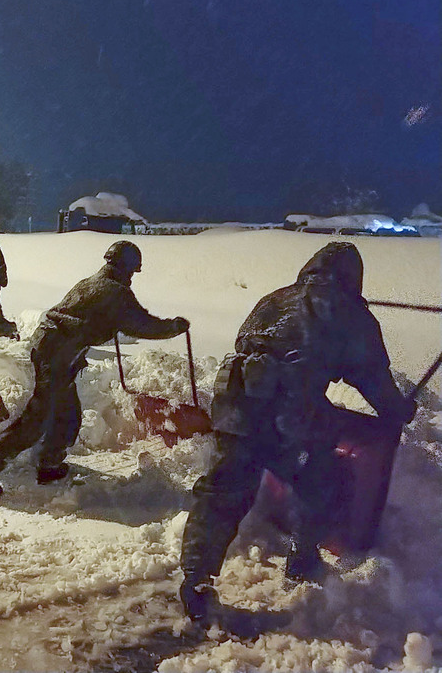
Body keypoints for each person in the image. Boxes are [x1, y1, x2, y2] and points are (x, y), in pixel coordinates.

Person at [178, 242, 416, 629]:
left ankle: (195, 580)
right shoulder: (347, 311)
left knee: (222, 490)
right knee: (320, 476)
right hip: (287, 414)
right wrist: (398, 411)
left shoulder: (274, 299)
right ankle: (303, 558)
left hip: (235, 404)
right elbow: (372, 377)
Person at [0, 241, 189, 496]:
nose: (131, 278)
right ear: (125, 268)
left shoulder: (92, 282)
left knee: (67, 415)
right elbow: (141, 324)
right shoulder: (113, 291)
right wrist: (172, 327)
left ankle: (50, 464)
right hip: (57, 353)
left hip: (53, 348)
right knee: (36, 420)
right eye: (131, 271)